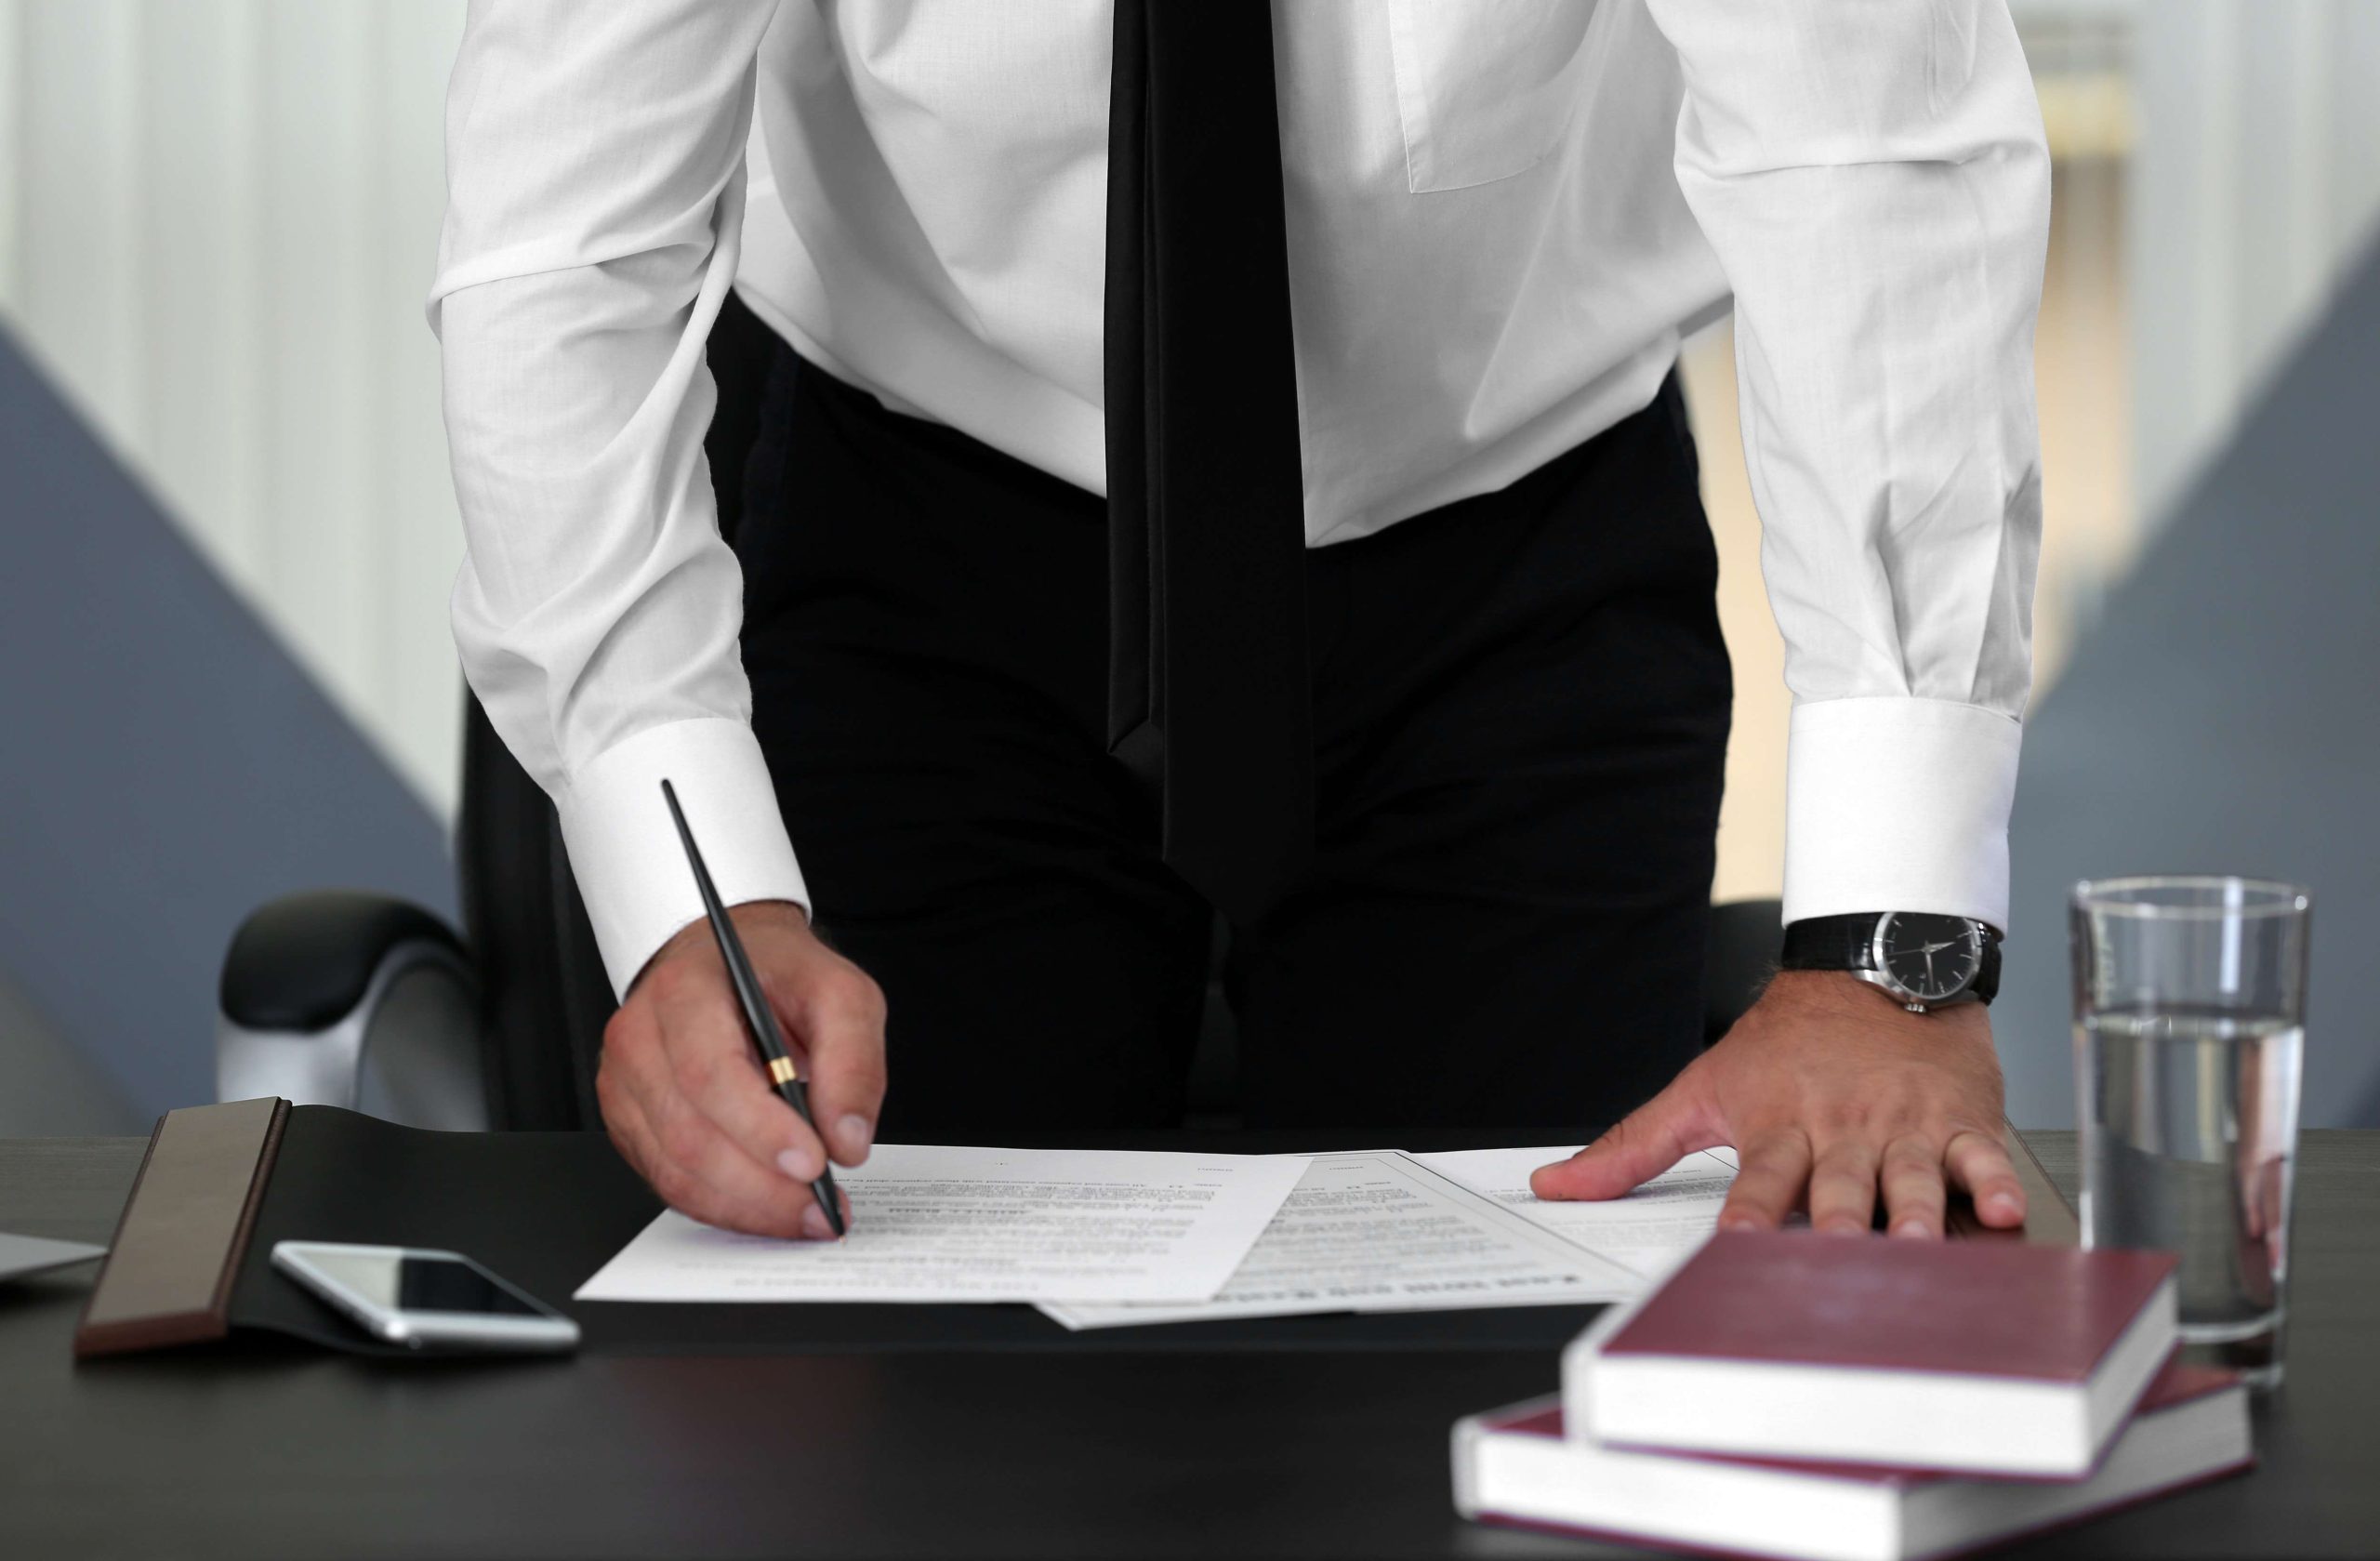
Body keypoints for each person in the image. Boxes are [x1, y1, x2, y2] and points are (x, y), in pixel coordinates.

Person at [431, 2, 2047, 1244]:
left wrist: (1882, 956)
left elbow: (1872, 153)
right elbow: (559, 244)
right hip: (918, 527)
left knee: (1504, 1383)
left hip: (1513, 539)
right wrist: (684, 892)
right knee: (904, 1415)